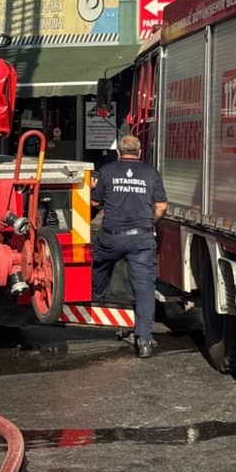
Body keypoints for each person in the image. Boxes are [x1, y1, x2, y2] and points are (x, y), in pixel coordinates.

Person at [91, 133, 167, 359]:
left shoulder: (107, 171)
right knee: (144, 289)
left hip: (111, 238)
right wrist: (148, 224)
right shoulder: (151, 173)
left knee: (99, 266)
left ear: (118, 152)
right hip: (141, 240)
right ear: (140, 152)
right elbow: (162, 206)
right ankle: (143, 340)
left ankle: (98, 297)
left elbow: (95, 202)